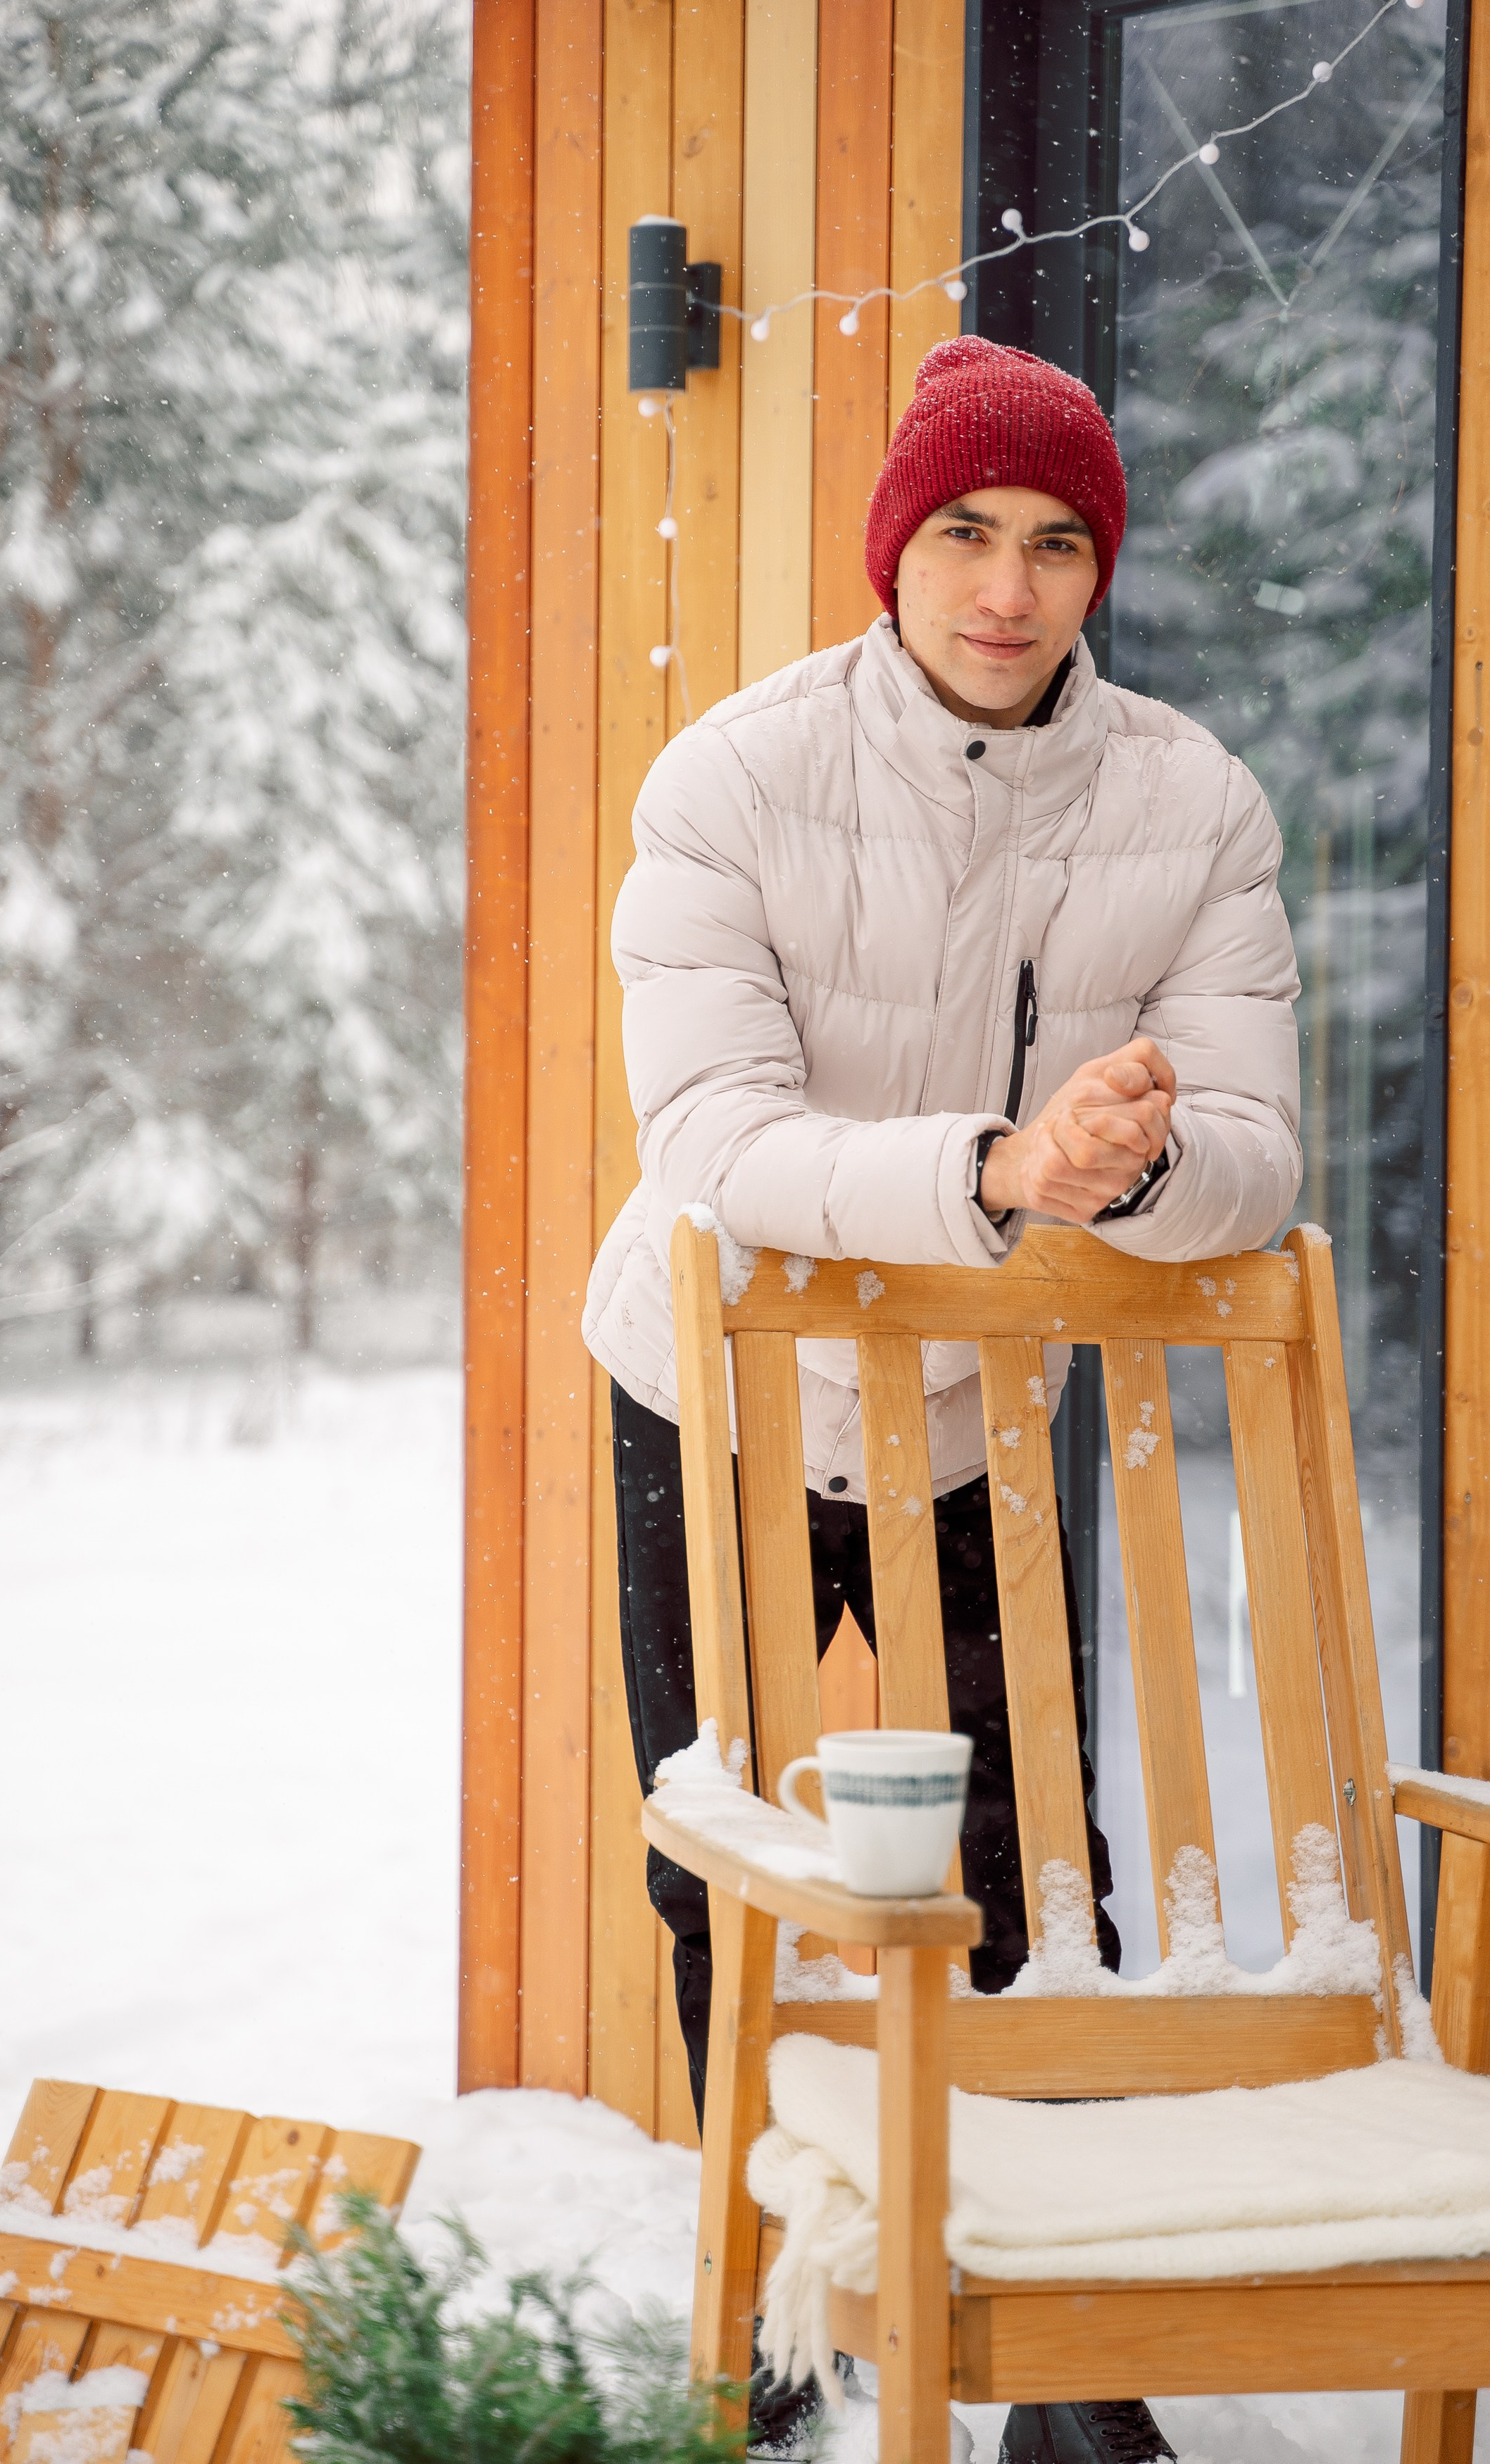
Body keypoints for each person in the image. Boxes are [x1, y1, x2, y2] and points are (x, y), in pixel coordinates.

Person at [582, 335, 1301, 2464]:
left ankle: (1069, 2369)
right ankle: (782, 2307)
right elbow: (716, 1131)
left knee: (1030, 1865)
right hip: (713, 1396)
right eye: (969, 533)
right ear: (898, 550)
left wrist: (1140, 1156)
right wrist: (998, 1166)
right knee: (726, 1865)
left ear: (1101, 569)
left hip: (980, 1409)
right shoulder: (730, 776)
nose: (1009, 585)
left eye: (1059, 540)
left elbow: (1254, 1154)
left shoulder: (1191, 803)